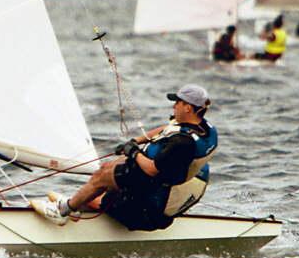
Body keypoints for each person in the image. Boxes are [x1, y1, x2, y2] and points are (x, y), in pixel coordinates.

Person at [31, 84, 217, 231]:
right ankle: (76, 203)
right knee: (111, 167)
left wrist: (134, 152)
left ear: (188, 108)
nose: (174, 106)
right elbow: (167, 129)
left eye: (177, 102)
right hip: (160, 184)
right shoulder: (204, 128)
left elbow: (152, 169)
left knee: (101, 177)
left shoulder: (182, 143)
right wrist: (136, 141)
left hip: (146, 210)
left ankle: (64, 210)